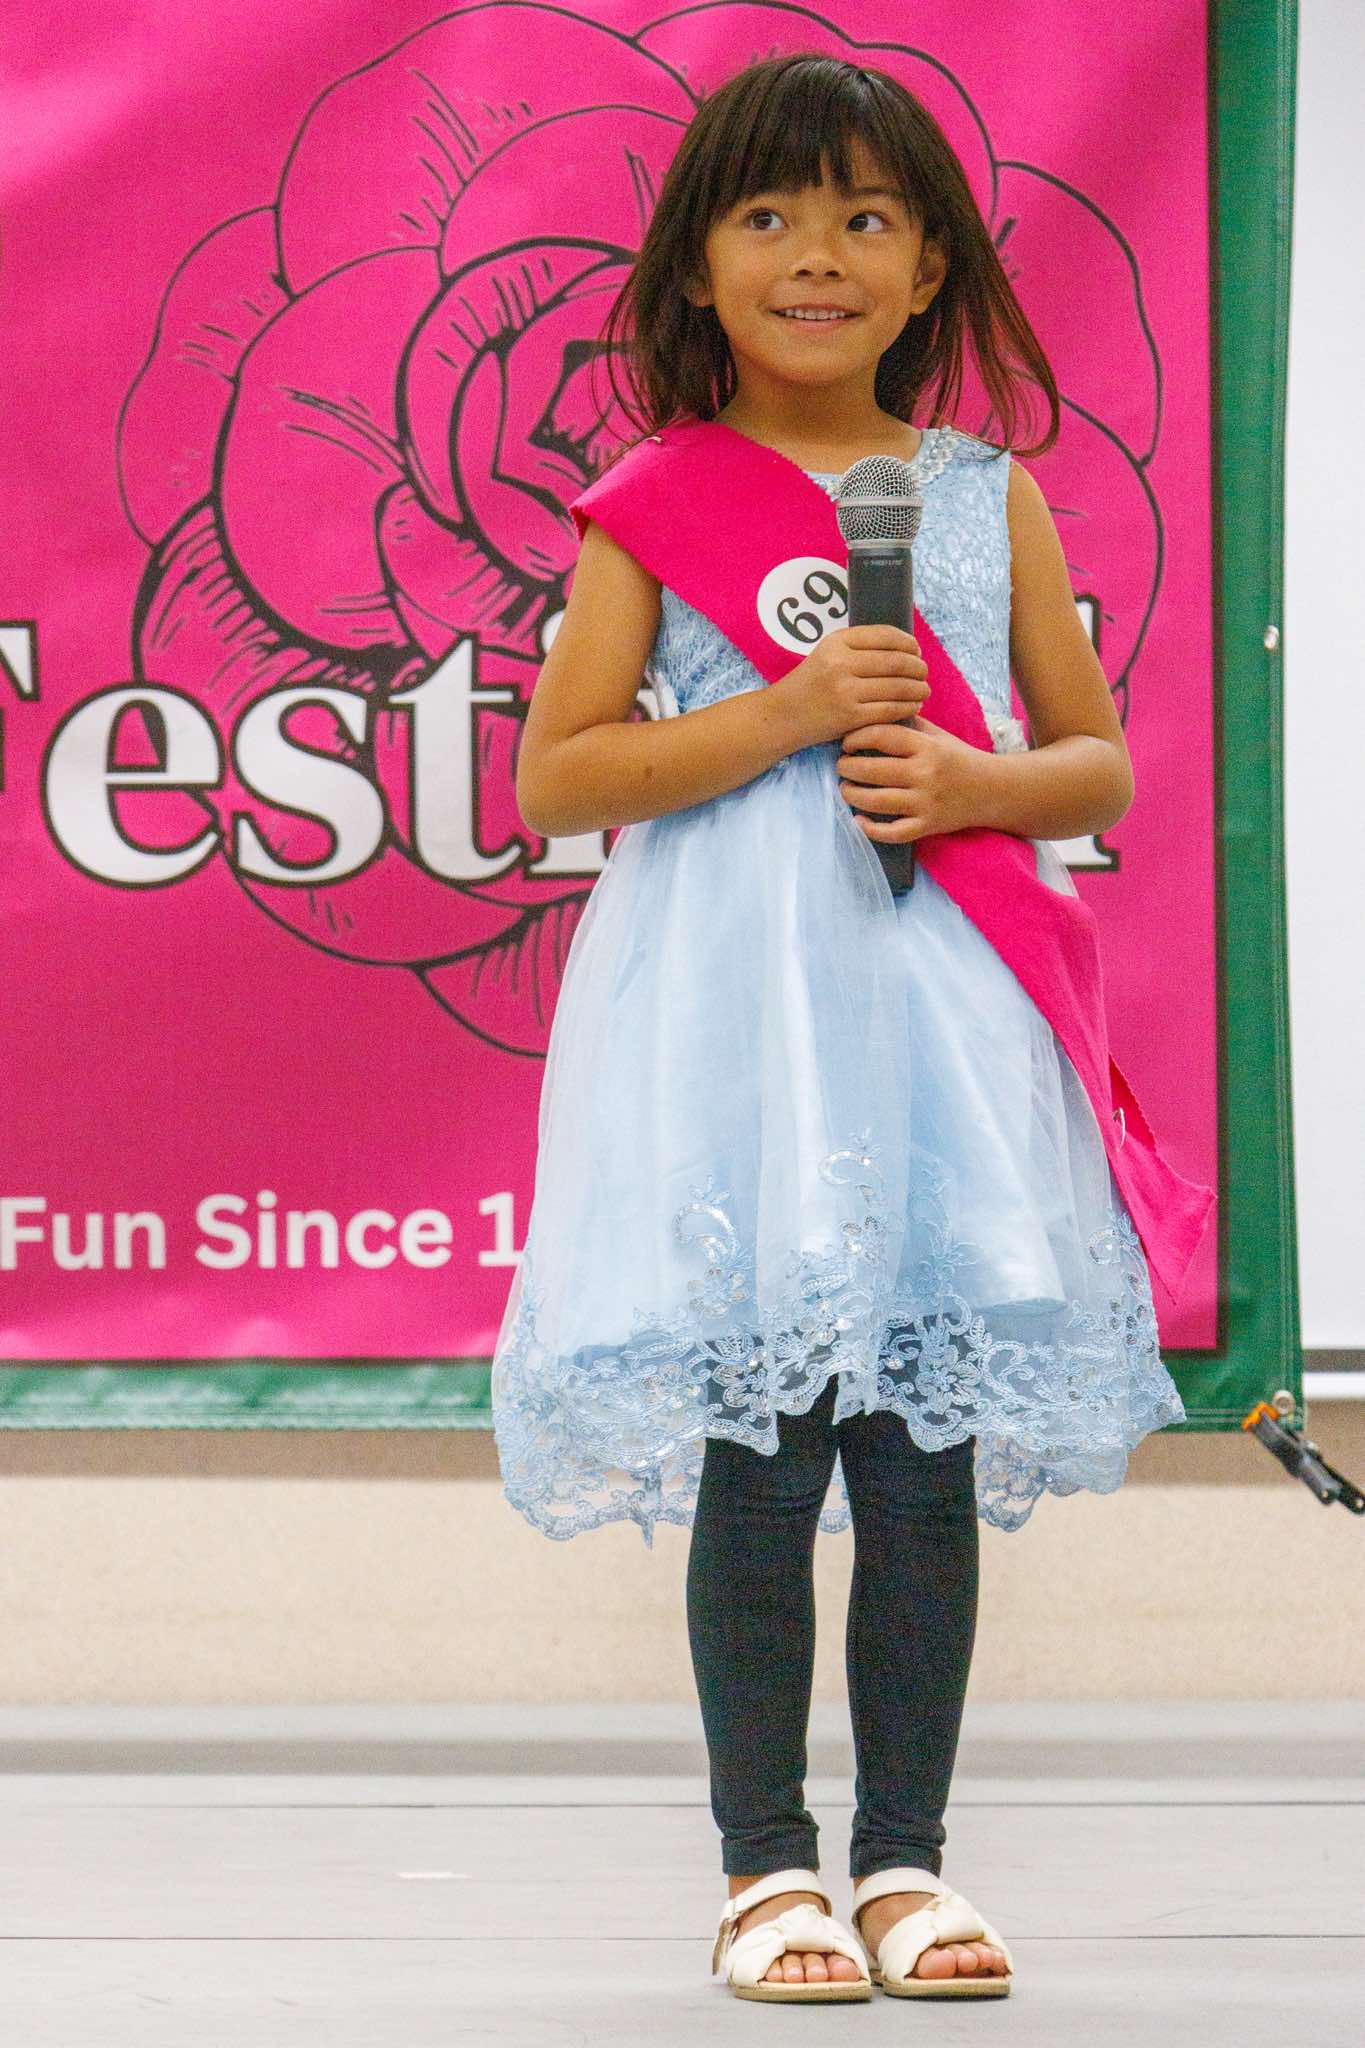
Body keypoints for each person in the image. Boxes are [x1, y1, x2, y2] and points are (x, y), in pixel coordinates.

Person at [491, 51, 1212, 2004]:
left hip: (935, 1021)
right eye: (769, 217)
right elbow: (561, 775)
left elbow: (1091, 761)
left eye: (864, 220)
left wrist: (974, 786)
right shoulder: (651, 507)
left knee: (914, 1456)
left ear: (928, 270)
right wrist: (783, 715)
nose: (816, 256)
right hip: (741, 1027)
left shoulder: (980, 498)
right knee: (762, 1452)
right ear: (695, 266)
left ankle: (903, 1861)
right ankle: (763, 1870)